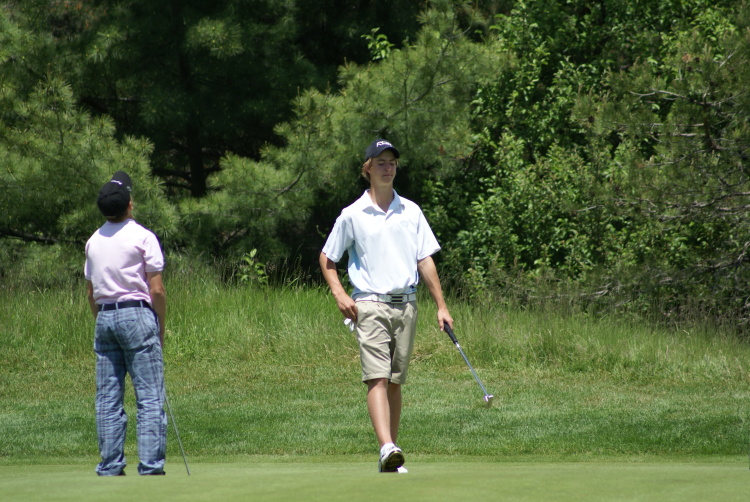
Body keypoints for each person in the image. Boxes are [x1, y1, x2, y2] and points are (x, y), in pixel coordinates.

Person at [319, 139, 453, 473]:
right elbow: (327, 258)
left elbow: (424, 260)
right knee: (377, 377)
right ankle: (386, 447)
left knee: (395, 380)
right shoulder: (352, 214)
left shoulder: (411, 211)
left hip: (406, 305)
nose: (388, 168)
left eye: (392, 162)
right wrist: (339, 294)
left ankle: (391, 456)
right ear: (368, 168)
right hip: (369, 304)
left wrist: (441, 305)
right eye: (380, 162)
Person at [84, 171, 167, 476]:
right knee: (149, 395)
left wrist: (104, 321)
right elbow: (156, 290)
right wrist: (160, 326)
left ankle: (110, 465)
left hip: (105, 316)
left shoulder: (93, 241)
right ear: (129, 204)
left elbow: (91, 293)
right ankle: (150, 465)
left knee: (108, 398)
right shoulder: (143, 236)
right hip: (137, 313)